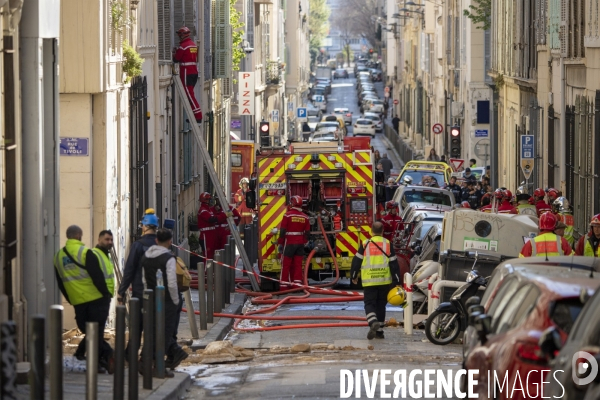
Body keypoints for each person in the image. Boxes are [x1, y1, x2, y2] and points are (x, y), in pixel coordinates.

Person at [55, 226, 114, 373]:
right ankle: (103, 359)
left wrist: (71, 299)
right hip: (96, 299)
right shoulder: (86, 253)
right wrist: (105, 294)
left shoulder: (58, 256)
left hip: (78, 302)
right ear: (80, 235)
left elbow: (61, 282)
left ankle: (85, 355)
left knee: (90, 331)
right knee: (96, 332)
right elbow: (97, 276)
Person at [140, 228, 189, 374]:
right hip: (167, 299)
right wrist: (175, 301)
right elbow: (172, 283)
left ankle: (167, 357)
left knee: (153, 330)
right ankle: (162, 362)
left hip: (151, 298)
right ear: (170, 241)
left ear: (156, 240)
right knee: (165, 332)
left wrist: (145, 297)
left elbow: (144, 280)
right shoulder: (168, 258)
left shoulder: (146, 256)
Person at [350, 222, 401, 340]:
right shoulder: (388, 244)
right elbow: (394, 264)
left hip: (369, 281)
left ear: (371, 231)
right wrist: (397, 280)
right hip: (384, 281)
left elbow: (356, 261)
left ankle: (373, 322)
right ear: (382, 231)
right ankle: (379, 332)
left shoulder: (365, 244)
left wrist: (353, 275)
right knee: (381, 305)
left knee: (369, 304)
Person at [277, 196, 310, 286]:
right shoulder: (306, 217)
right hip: (300, 244)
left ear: (292, 204)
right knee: (298, 265)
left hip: (289, 243)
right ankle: (297, 285)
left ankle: (284, 285)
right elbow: (307, 233)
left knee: (286, 264)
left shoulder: (287, 215)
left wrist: (280, 242)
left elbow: (283, 230)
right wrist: (304, 241)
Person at [172, 27, 202, 123]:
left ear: (182, 35)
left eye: (179, 35)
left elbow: (176, 59)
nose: (179, 37)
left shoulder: (183, 46)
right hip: (194, 72)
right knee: (190, 94)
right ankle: (195, 114)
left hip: (186, 72)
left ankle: (197, 116)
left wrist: (174, 53)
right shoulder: (193, 45)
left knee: (189, 95)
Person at [197, 192, 218, 260]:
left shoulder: (208, 209)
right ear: (206, 201)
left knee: (211, 256)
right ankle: (206, 270)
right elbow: (211, 219)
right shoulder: (203, 210)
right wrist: (224, 215)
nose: (211, 201)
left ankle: (211, 270)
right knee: (207, 257)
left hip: (210, 236)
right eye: (209, 199)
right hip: (205, 237)